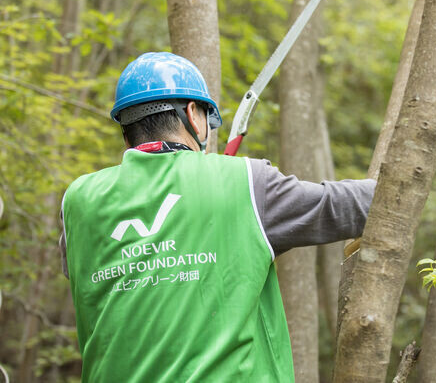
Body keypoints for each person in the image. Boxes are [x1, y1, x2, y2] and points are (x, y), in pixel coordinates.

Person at [60, 52, 375, 382]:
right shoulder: (245, 182)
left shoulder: (77, 201)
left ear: (126, 131)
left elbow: (86, 272)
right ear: (194, 116)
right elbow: (350, 206)